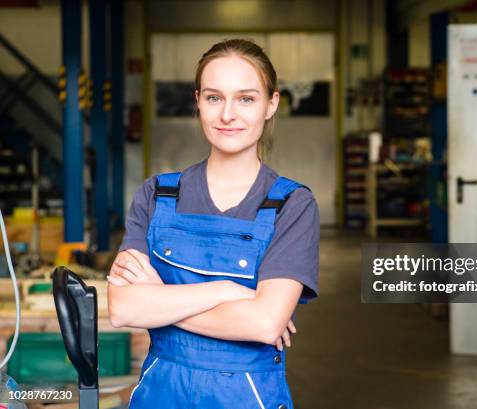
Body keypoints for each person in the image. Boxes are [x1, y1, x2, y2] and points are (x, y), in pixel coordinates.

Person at [107, 38, 320, 409]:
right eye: (214, 97)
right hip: (160, 393)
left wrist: (160, 302)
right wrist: (229, 289)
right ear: (198, 102)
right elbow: (125, 309)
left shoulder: (292, 205)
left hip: (248, 397)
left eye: (247, 99)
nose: (228, 115)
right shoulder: (156, 195)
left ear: (271, 105)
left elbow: (265, 324)